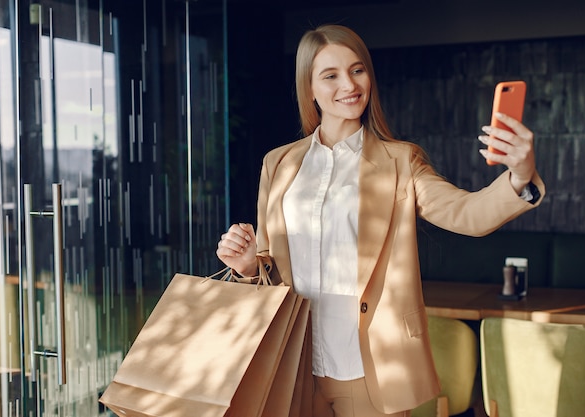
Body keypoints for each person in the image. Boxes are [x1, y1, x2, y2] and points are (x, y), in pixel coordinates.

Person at [216, 24, 545, 417]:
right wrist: (249, 266)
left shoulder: (400, 162)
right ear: (310, 88)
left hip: (367, 366)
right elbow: (271, 267)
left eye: (357, 70)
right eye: (331, 75)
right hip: (294, 365)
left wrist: (520, 176)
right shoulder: (279, 163)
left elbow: (468, 214)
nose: (349, 84)